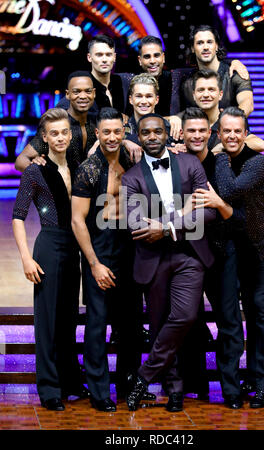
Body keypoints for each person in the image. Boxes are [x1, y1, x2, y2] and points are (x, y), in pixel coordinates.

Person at [122, 113, 216, 412]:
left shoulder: (190, 164)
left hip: (190, 254)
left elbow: (208, 212)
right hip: (153, 260)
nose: (152, 137)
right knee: (161, 323)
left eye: (157, 132)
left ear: (167, 134)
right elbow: (135, 223)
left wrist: (165, 227)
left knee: (185, 317)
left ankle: (143, 376)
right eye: (146, 133)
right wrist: (181, 217)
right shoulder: (131, 177)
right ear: (139, 135)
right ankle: (174, 391)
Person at [197, 106, 264, 408]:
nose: (233, 135)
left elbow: (228, 190)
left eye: (238, 131)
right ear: (218, 133)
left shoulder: (257, 162)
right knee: (243, 310)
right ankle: (246, 378)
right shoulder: (221, 158)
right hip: (239, 245)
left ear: (246, 134)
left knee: (262, 312)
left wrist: (220, 154)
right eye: (227, 131)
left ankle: (263, 384)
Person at [71, 107, 153, 412]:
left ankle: (130, 386)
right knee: (97, 324)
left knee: (131, 325)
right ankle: (99, 390)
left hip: (130, 248)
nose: (112, 137)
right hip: (101, 250)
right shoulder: (89, 170)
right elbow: (78, 221)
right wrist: (94, 263)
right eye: (106, 132)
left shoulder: (133, 161)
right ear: (97, 134)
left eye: (117, 131)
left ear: (124, 131)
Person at [12, 108, 89, 411]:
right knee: (47, 321)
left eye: (64, 132)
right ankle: (49, 388)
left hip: (74, 247)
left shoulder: (78, 164)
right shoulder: (35, 170)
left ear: (71, 135)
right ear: (44, 137)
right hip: (49, 244)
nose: (59, 137)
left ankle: (70, 380)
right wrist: (26, 259)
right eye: (53, 133)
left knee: (69, 318)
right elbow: (18, 217)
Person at [179, 107, 246, 408]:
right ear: (182, 133)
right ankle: (196, 384)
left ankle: (230, 389)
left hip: (221, 252)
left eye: (201, 130)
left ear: (210, 134)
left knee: (229, 321)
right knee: (188, 321)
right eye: (190, 130)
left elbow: (232, 210)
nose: (196, 135)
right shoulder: (175, 162)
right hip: (188, 253)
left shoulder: (221, 162)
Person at [15, 71, 97, 173]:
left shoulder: (98, 120)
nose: (83, 96)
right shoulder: (58, 123)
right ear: (68, 94)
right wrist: (38, 171)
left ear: (94, 93)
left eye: (88, 91)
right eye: (76, 92)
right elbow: (21, 160)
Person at [178, 25, 254, 117]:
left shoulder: (234, 72)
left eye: (209, 42)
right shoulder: (186, 79)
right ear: (192, 49)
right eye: (200, 43)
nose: (206, 47)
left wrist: (228, 121)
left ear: (217, 46)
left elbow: (247, 104)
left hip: (231, 129)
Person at [191, 69, 264, 152]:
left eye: (211, 89)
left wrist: (222, 146)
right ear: (194, 95)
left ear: (220, 95)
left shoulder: (229, 120)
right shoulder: (186, 123)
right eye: (201, 90)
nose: (206, 95)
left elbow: (259, 144)